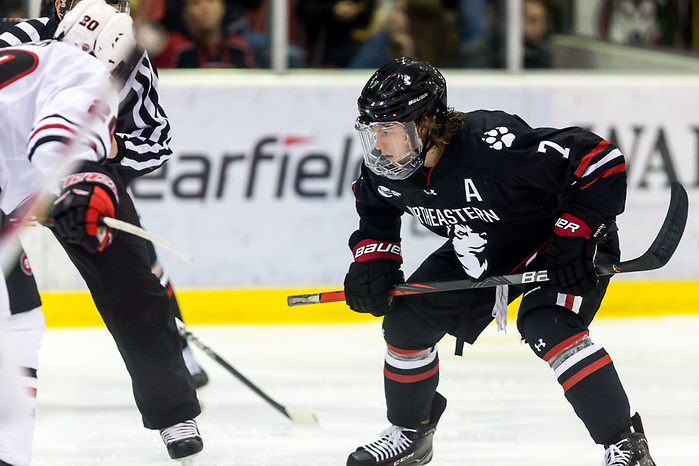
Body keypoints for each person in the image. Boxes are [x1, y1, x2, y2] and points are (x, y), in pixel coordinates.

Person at [342, 57, 656, 466]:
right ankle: (411, 432)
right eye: (372, 131)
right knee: (406, 323)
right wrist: (373, 261)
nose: (379, 144)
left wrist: (576, 232)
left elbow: (598, 159)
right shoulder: (389, 170)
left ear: (425, 125)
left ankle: (626, 445)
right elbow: (376, 210)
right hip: (485, 246)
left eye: (388, 131)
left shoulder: (491, 145)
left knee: (549, 324)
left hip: (559, 244)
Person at [0, 1, 204, 464]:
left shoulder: (129, 56)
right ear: (60, 7)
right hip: (24, 166)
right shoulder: (24, 38)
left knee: (132, 283)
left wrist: (105, 159)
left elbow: (156, 139)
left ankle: (173, 413)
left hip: (80, 174)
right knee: (18, 313)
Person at [153, 0, 257, 69]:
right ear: (184, 11)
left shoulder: (238, 47)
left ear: (222, 7)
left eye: (211, 1)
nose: (205, 9)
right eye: (196, 3)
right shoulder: (173, 48)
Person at [460, 0, 552, 69]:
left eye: (542, 21)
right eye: (532, 21)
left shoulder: (543, 53)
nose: (540, 28)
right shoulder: (482, 52)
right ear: (514, 19)